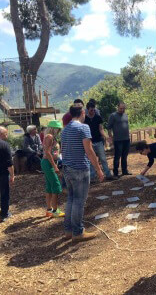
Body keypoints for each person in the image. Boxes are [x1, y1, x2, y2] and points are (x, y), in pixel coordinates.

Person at [61, 105, 104, 242]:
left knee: (71, 199)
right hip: (79, 169)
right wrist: (98, 169)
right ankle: (78, 232)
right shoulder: (83, 127)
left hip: (67, 169)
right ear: (82, 113)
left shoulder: (65, 130)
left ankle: (68, 231)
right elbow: (89, 151)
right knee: (79, 201)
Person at [84, 101, 115, 181]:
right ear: (87, 110)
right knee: (91, 160)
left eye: (94, 110)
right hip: (89, 143)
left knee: (103, 158)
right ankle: (93, 177)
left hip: (98, 141)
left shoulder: (98, 117)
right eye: (91, 110)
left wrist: (106, 137)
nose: (93, 111)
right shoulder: (85, 119)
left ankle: (108, 175)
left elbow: (100, 129)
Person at [41, 120, 65, 218]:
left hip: (48, 162)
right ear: (53, 129)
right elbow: (47, 152)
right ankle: (55, 211)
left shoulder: (50, 137)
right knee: (56, 186)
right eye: (58, 129)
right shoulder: (49, 137)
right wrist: (54, 166)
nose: (59, 131)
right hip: (48, 163)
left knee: (49, 186)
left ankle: (49, 210)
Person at [108, 102, 131, 177]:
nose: (122, 110)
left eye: (123, 108)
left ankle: (124, 170)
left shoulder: (125, 115)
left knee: (125, 156)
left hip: (126, 139)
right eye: (121, 108)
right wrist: (110, 137)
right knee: (117, 156)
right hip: (118, 140)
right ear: (117, 108)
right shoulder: (113, 116)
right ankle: (115, 172)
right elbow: (109, 128)